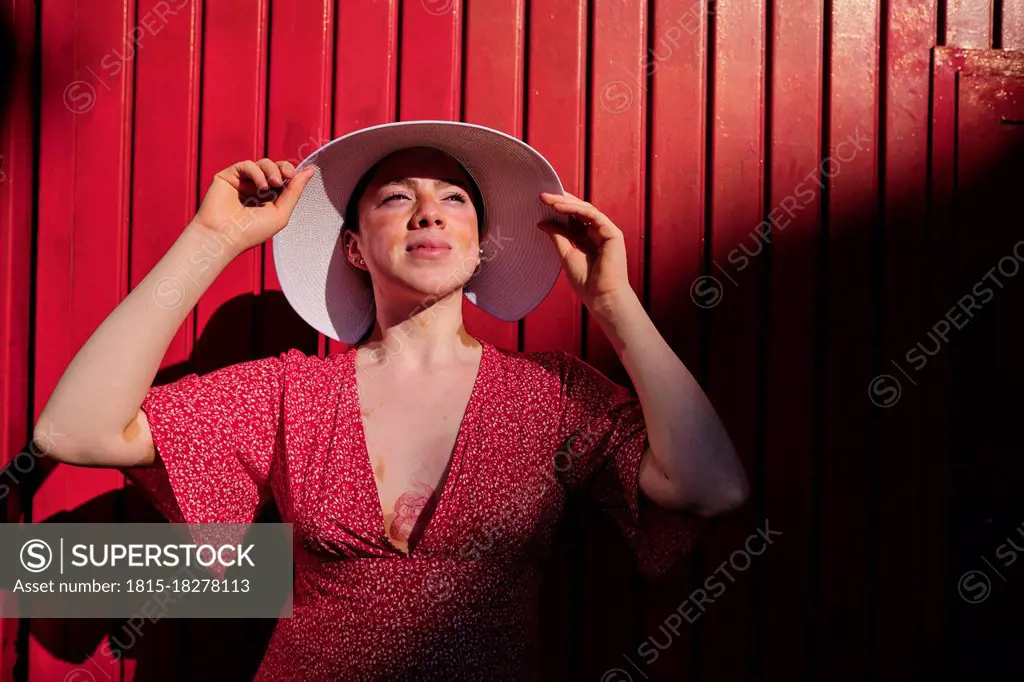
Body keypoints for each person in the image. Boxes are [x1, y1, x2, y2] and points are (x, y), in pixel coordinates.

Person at [32, 121, 747, 680]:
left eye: (455, 198)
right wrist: (211, 239)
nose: (428, 212)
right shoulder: (291, 392)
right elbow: (75, 431)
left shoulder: (553, 395)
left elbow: (711, 488)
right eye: (397, 196)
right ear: (352, 248)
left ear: (479, 247)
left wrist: (613, 302)